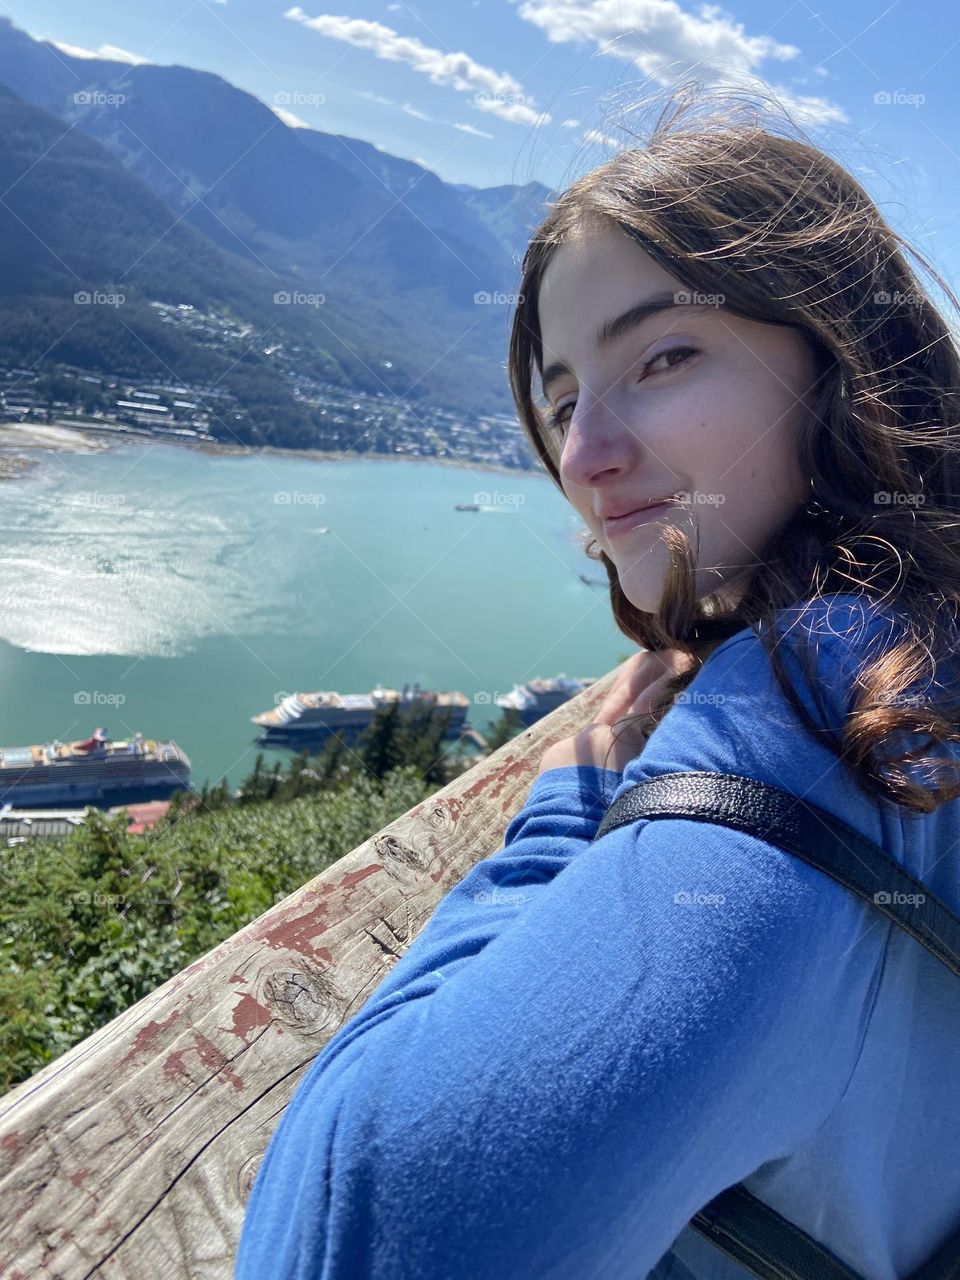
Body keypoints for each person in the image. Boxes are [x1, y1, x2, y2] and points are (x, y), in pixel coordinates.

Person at [233, 86, 960, 1279]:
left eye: (664, 357)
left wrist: (569, 804)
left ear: (842, 360)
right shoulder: (926, 646)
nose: (583, 454)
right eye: (564, 398)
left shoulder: (802, 714)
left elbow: (363, 1234)